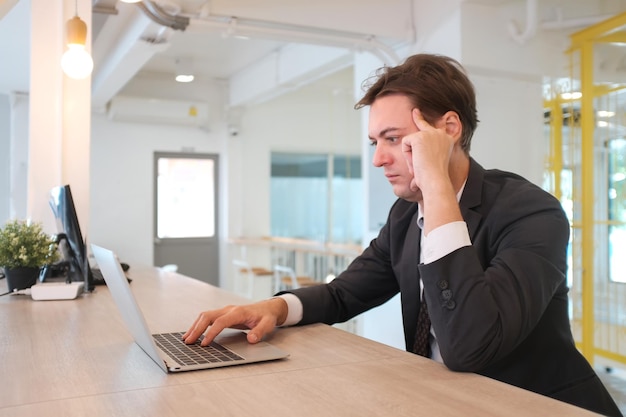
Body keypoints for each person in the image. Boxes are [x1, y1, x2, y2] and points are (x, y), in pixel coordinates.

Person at [183, 54, 622, 416]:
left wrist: (436, 190)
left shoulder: (531, 211)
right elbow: (344, 295)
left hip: (538, 405)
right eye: (375, 141)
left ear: (448, 131)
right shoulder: (403, 216)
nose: (378, 160)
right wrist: (275, 307)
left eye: (393, 139)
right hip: (445, 400)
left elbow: (470, 347)